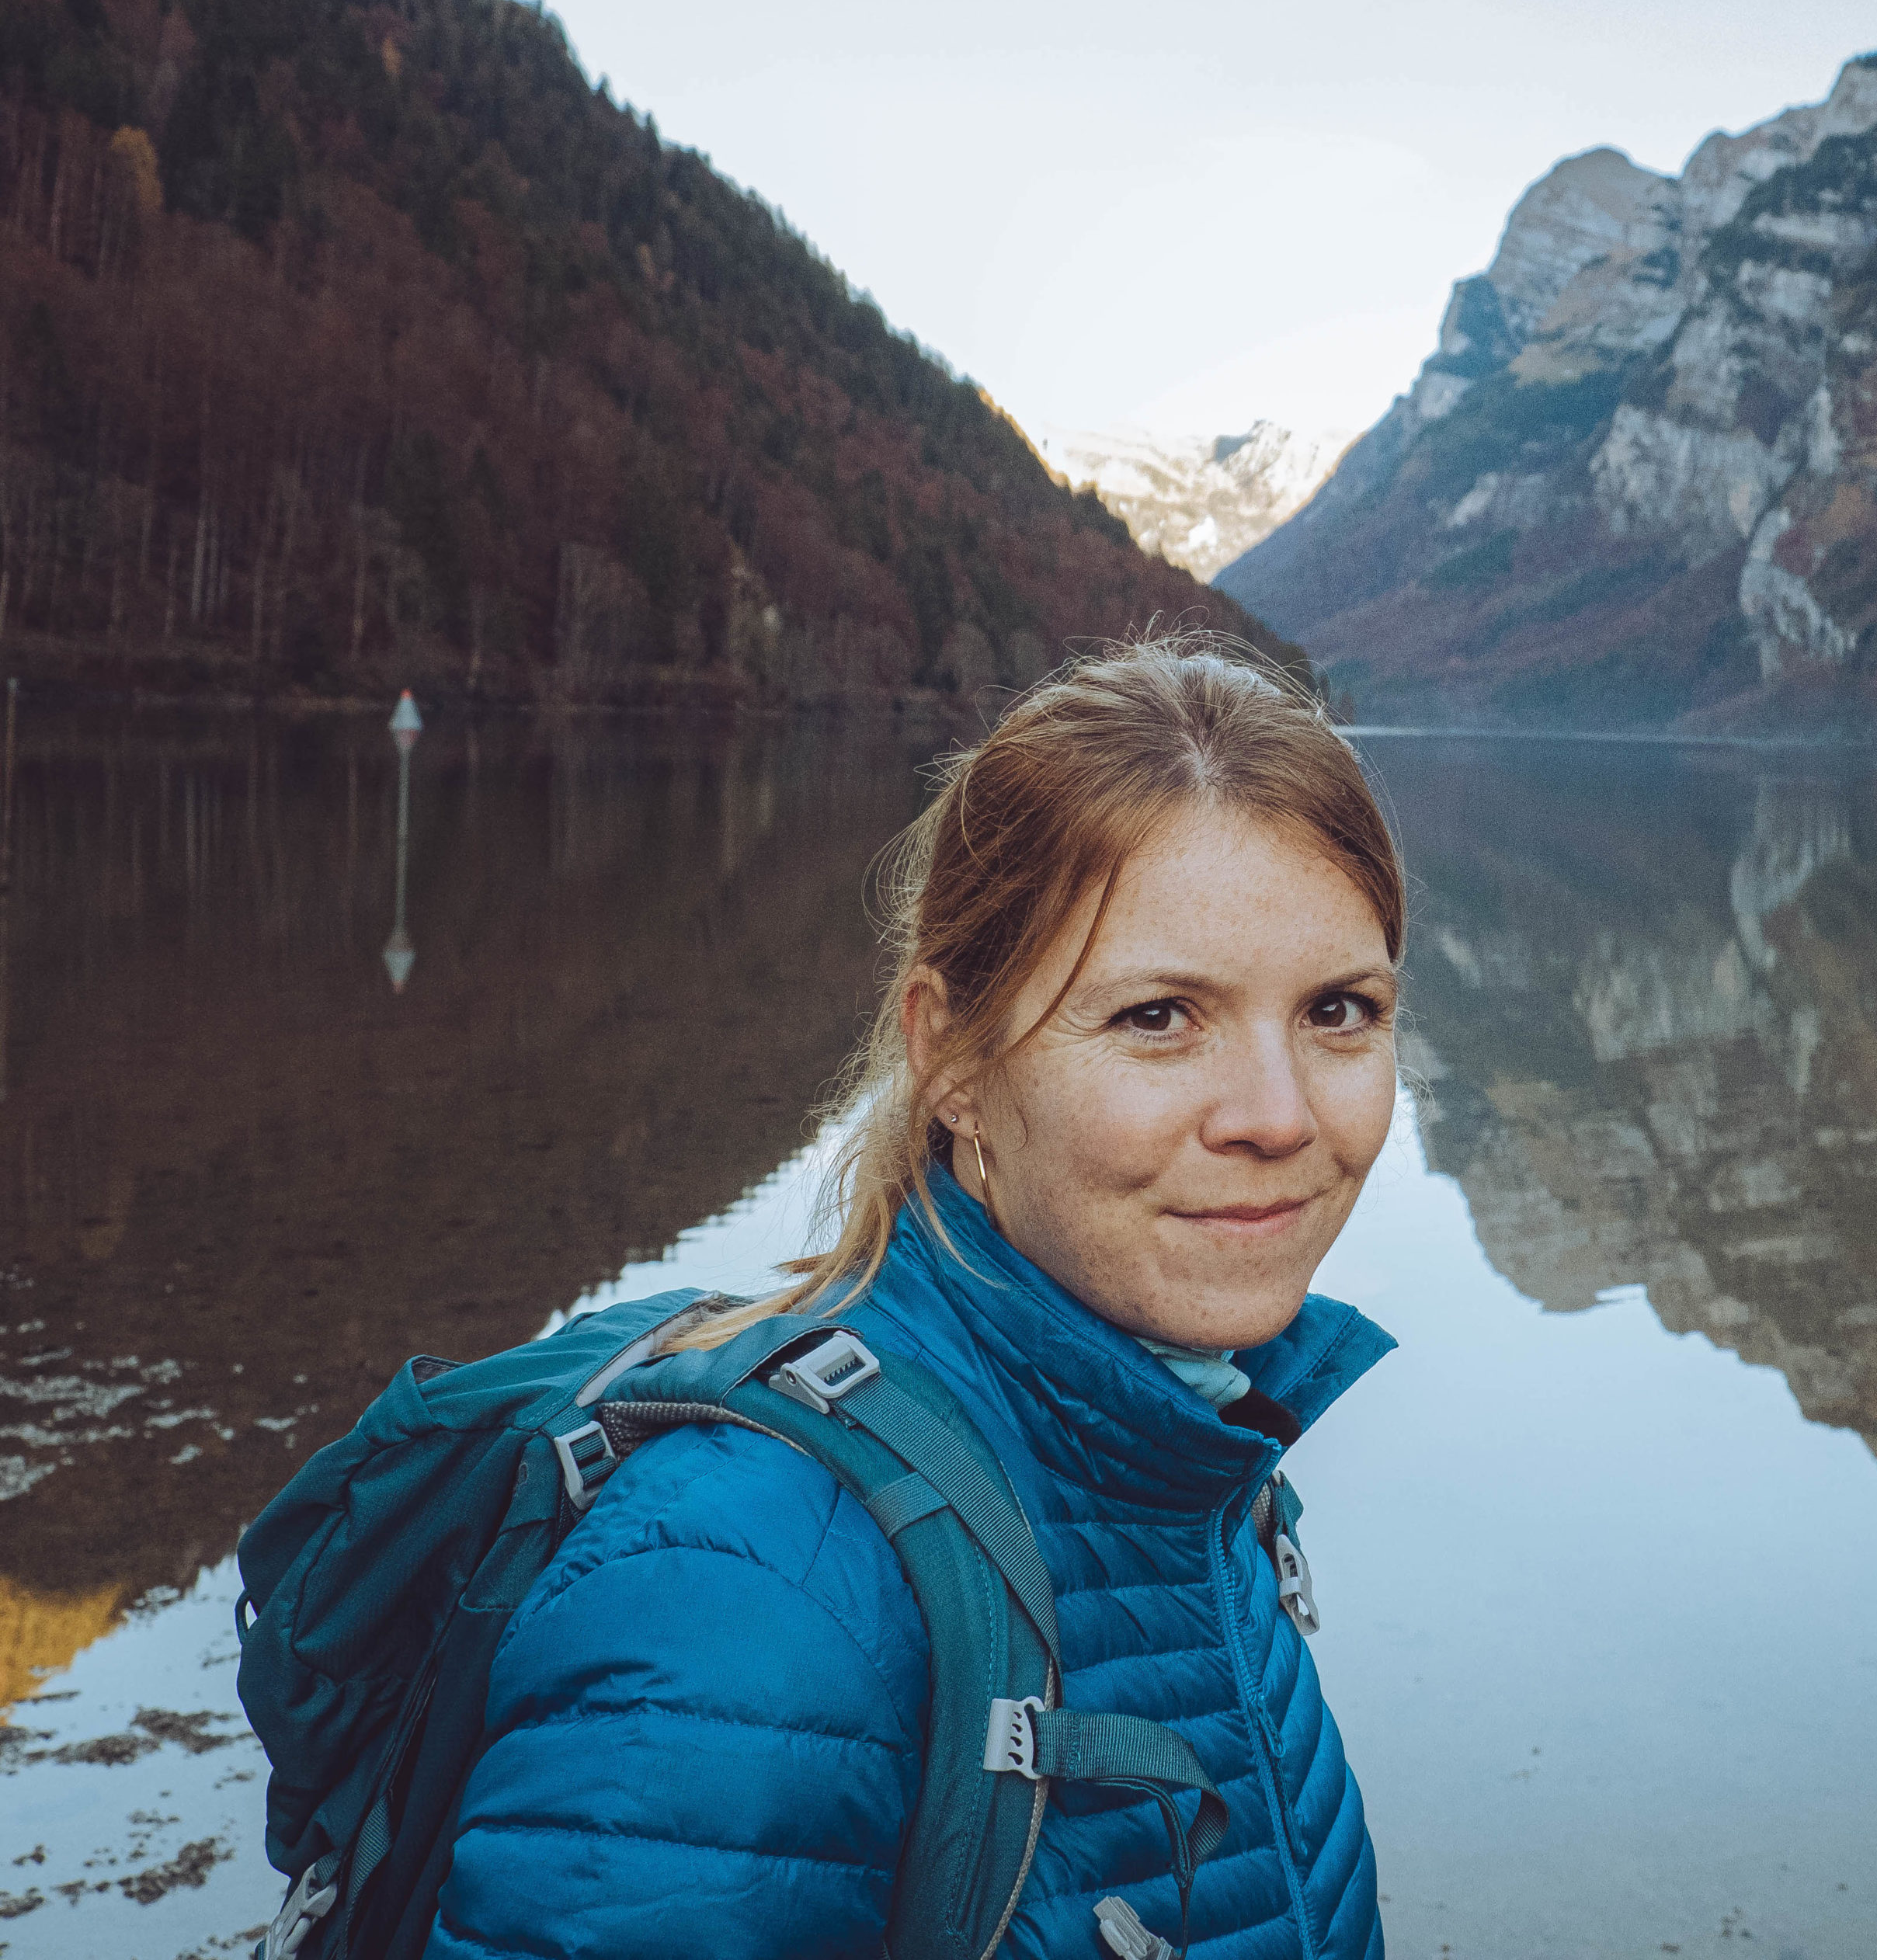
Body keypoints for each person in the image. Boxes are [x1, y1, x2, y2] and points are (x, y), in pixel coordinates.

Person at [424, 635, 1405, 1959]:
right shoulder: (754, 1593)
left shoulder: (1193, 1449)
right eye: (1160, 1017)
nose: (1280, 1116)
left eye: (1340, 1009)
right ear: (950, 1055)